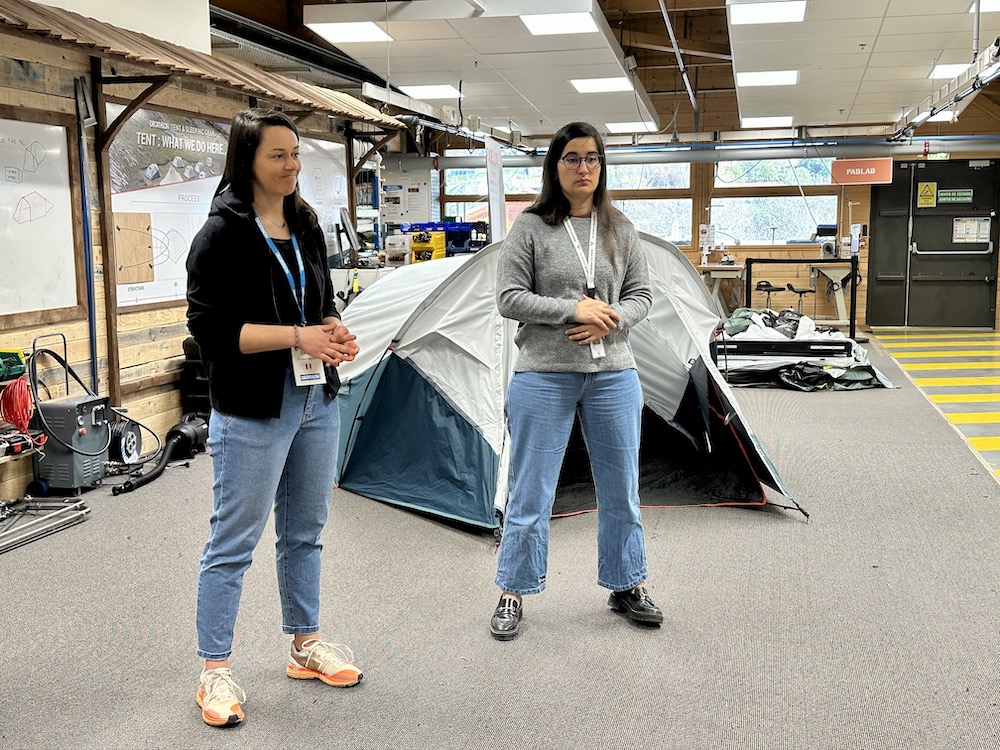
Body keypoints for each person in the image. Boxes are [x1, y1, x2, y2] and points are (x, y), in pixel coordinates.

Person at [186, 108, 362, 727]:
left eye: (295, 155)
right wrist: (298, 336)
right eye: (277, 156)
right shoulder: (220, 235)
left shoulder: (306, 223)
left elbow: (319, 301)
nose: (291, 166)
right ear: (247, 160)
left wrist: (331, 329)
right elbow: (210, 331)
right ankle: (214, 671)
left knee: (306, 532)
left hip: (316, 398)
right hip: (253, 405)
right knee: (233, 541)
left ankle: (304, 644)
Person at [490, 121, 662, 641]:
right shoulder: (530, 227)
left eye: (591, 158)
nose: (583, 167)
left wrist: (609, 318)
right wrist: (573, 309)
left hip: (613, 375)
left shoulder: (620, 227)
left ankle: (626, 583)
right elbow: (509, 298)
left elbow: (642, 296)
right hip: (544, 374)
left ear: (602, 166)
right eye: (572, 158)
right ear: (555, 165)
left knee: (621, 491)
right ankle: (512, 591)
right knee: (531, 492)